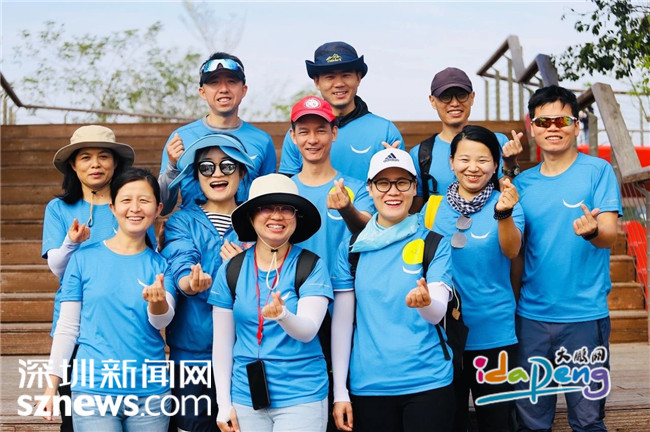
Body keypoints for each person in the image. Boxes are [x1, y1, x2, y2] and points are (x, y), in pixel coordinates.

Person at [513, 85, 621, 432]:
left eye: (562, 120)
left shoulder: (598, 171)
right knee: (531, 422)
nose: (553, 128)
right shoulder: (522, 184)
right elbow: (516, 249)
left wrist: (591, 231)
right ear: (532, 127)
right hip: (531, 317)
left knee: (588, 421)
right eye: (543, 122)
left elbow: (609, 234)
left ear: (576, 126)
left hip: (584, 317)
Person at [331, 148, 454, 432]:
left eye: (402, 182)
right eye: (383, 183)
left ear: (414, 187)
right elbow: (342, 324)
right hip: (369, 385)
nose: (393, 191)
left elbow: (436, 313)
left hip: (429, 382)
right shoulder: (352, 249)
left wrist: (425, 302)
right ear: (370, 188)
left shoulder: (434, 243)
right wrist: (340, 392)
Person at [42, 167, 175, 431]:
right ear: (113, 208)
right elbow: (67, 328)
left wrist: (157, 301)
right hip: (93, 390)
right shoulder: (82, 259)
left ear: (158, 208)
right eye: (126, 200)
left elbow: (162, 320)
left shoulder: (162, 265)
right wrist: (51, 386)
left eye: (144, 200)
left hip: (150, 392)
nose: (135, 208)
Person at [208, 173, 333, 432]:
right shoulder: (231, 270)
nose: (277, 216)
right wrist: (223, 403)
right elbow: (222, 344)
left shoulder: (311, 265)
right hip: (246, 396)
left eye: (286, 208)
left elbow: (308, 331)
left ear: (296, 218)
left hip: (302, 395)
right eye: (266, 207)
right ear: (251, 216)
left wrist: (283, 315)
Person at [42, 125, 136, 432]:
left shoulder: (129, 205)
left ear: (115, 163)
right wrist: (71, 242)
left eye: (103, 156)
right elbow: (58, 268)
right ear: (73, 164)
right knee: (75, 420)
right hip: (75, 325)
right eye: (85, 157)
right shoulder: (59, 208)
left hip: (122, 325)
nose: (95, 164)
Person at [432, 125, 524, 432]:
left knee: (498, 423)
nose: (473, 167)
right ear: (451, 162)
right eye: (464, 159)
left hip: (495, 334)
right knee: (451, 422)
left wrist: (504, 213)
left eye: (483, 160)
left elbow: (511, 250)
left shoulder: (508, 203)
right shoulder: (432, 209)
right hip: (445, 338)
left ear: (496, 165)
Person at [160, 133, 254, 432]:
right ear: (196, 175)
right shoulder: (181, 221)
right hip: (192, 352)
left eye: (227, 166)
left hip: (246, 353)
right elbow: (180, 263)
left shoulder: (259, 220)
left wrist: (241, 270)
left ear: (242, 172)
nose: (217, 174)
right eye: (206, 167)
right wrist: (190, 283)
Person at [159, 52, 276, 215]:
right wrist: (172, 168)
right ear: (202, 92)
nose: (224, 89)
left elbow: (269, 203)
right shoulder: (180, 138)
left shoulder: (262, 140)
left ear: (243, 90)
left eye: (231, 81)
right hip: (192, 228)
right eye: (214, 82)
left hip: (243, 229)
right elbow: (162, 207)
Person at [279, 41, 404, 180]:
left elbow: (403, 186)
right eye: (330, 77)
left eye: (346, 75)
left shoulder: (385, 131)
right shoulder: (301, 135)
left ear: (358, 78)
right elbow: (287, 186)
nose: (339, 84)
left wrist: (395, 167)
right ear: (317, 82)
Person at [409, 67, 523, 213]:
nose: (454, 103)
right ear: (432, 101)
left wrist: (510, 163)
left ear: (472, 97)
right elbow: (415, 211)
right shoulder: (420, 153)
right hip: (441, 226)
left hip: (491, 224)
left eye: (461, 95)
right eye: (445, 96)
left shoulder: (496, 141)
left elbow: (509, 196)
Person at [289, 94, 374, 270]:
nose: (313, 140)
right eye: (304, 132)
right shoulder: (284, 191)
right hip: (296, 285)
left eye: (321, 131)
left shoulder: (358, 188)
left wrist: (348, 209)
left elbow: (371, 231)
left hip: (345, 285)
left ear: (333, 133)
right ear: (293, 136)